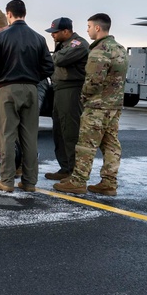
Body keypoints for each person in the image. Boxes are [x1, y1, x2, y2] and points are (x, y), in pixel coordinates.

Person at [0, 0, 54, 193]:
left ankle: (7, 180)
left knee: (6, 135)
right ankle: (29, 182)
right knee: (29, 137)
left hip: (8, 89)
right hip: (31, 88)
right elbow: (49, 67)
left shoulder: (2, 38)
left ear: (9, 14)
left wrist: (2, 77)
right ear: (25, 13)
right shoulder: (39, 38)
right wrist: (32, 77)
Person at [54, 14, 128, 196]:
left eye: (88, 26)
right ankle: (109, 182)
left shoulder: (99, 50)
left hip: (97, 106)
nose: (86, 30)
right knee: (111, 145)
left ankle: (78, 181)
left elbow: (93, 80)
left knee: (86, 144)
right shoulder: (120, 49)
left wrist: (84, 96)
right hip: (114, 106)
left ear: (97, 28)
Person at [44, 17, 89, 180]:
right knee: (59, 131)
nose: (52, 35)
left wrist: (46, 58)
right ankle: (65, 167)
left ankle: (75, 171)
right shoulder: (63, 45)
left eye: (55, 32)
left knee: (70, 131)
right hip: (60, 89)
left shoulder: (78, 44)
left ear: (66, 31)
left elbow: (58, 59)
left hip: (72, 90)